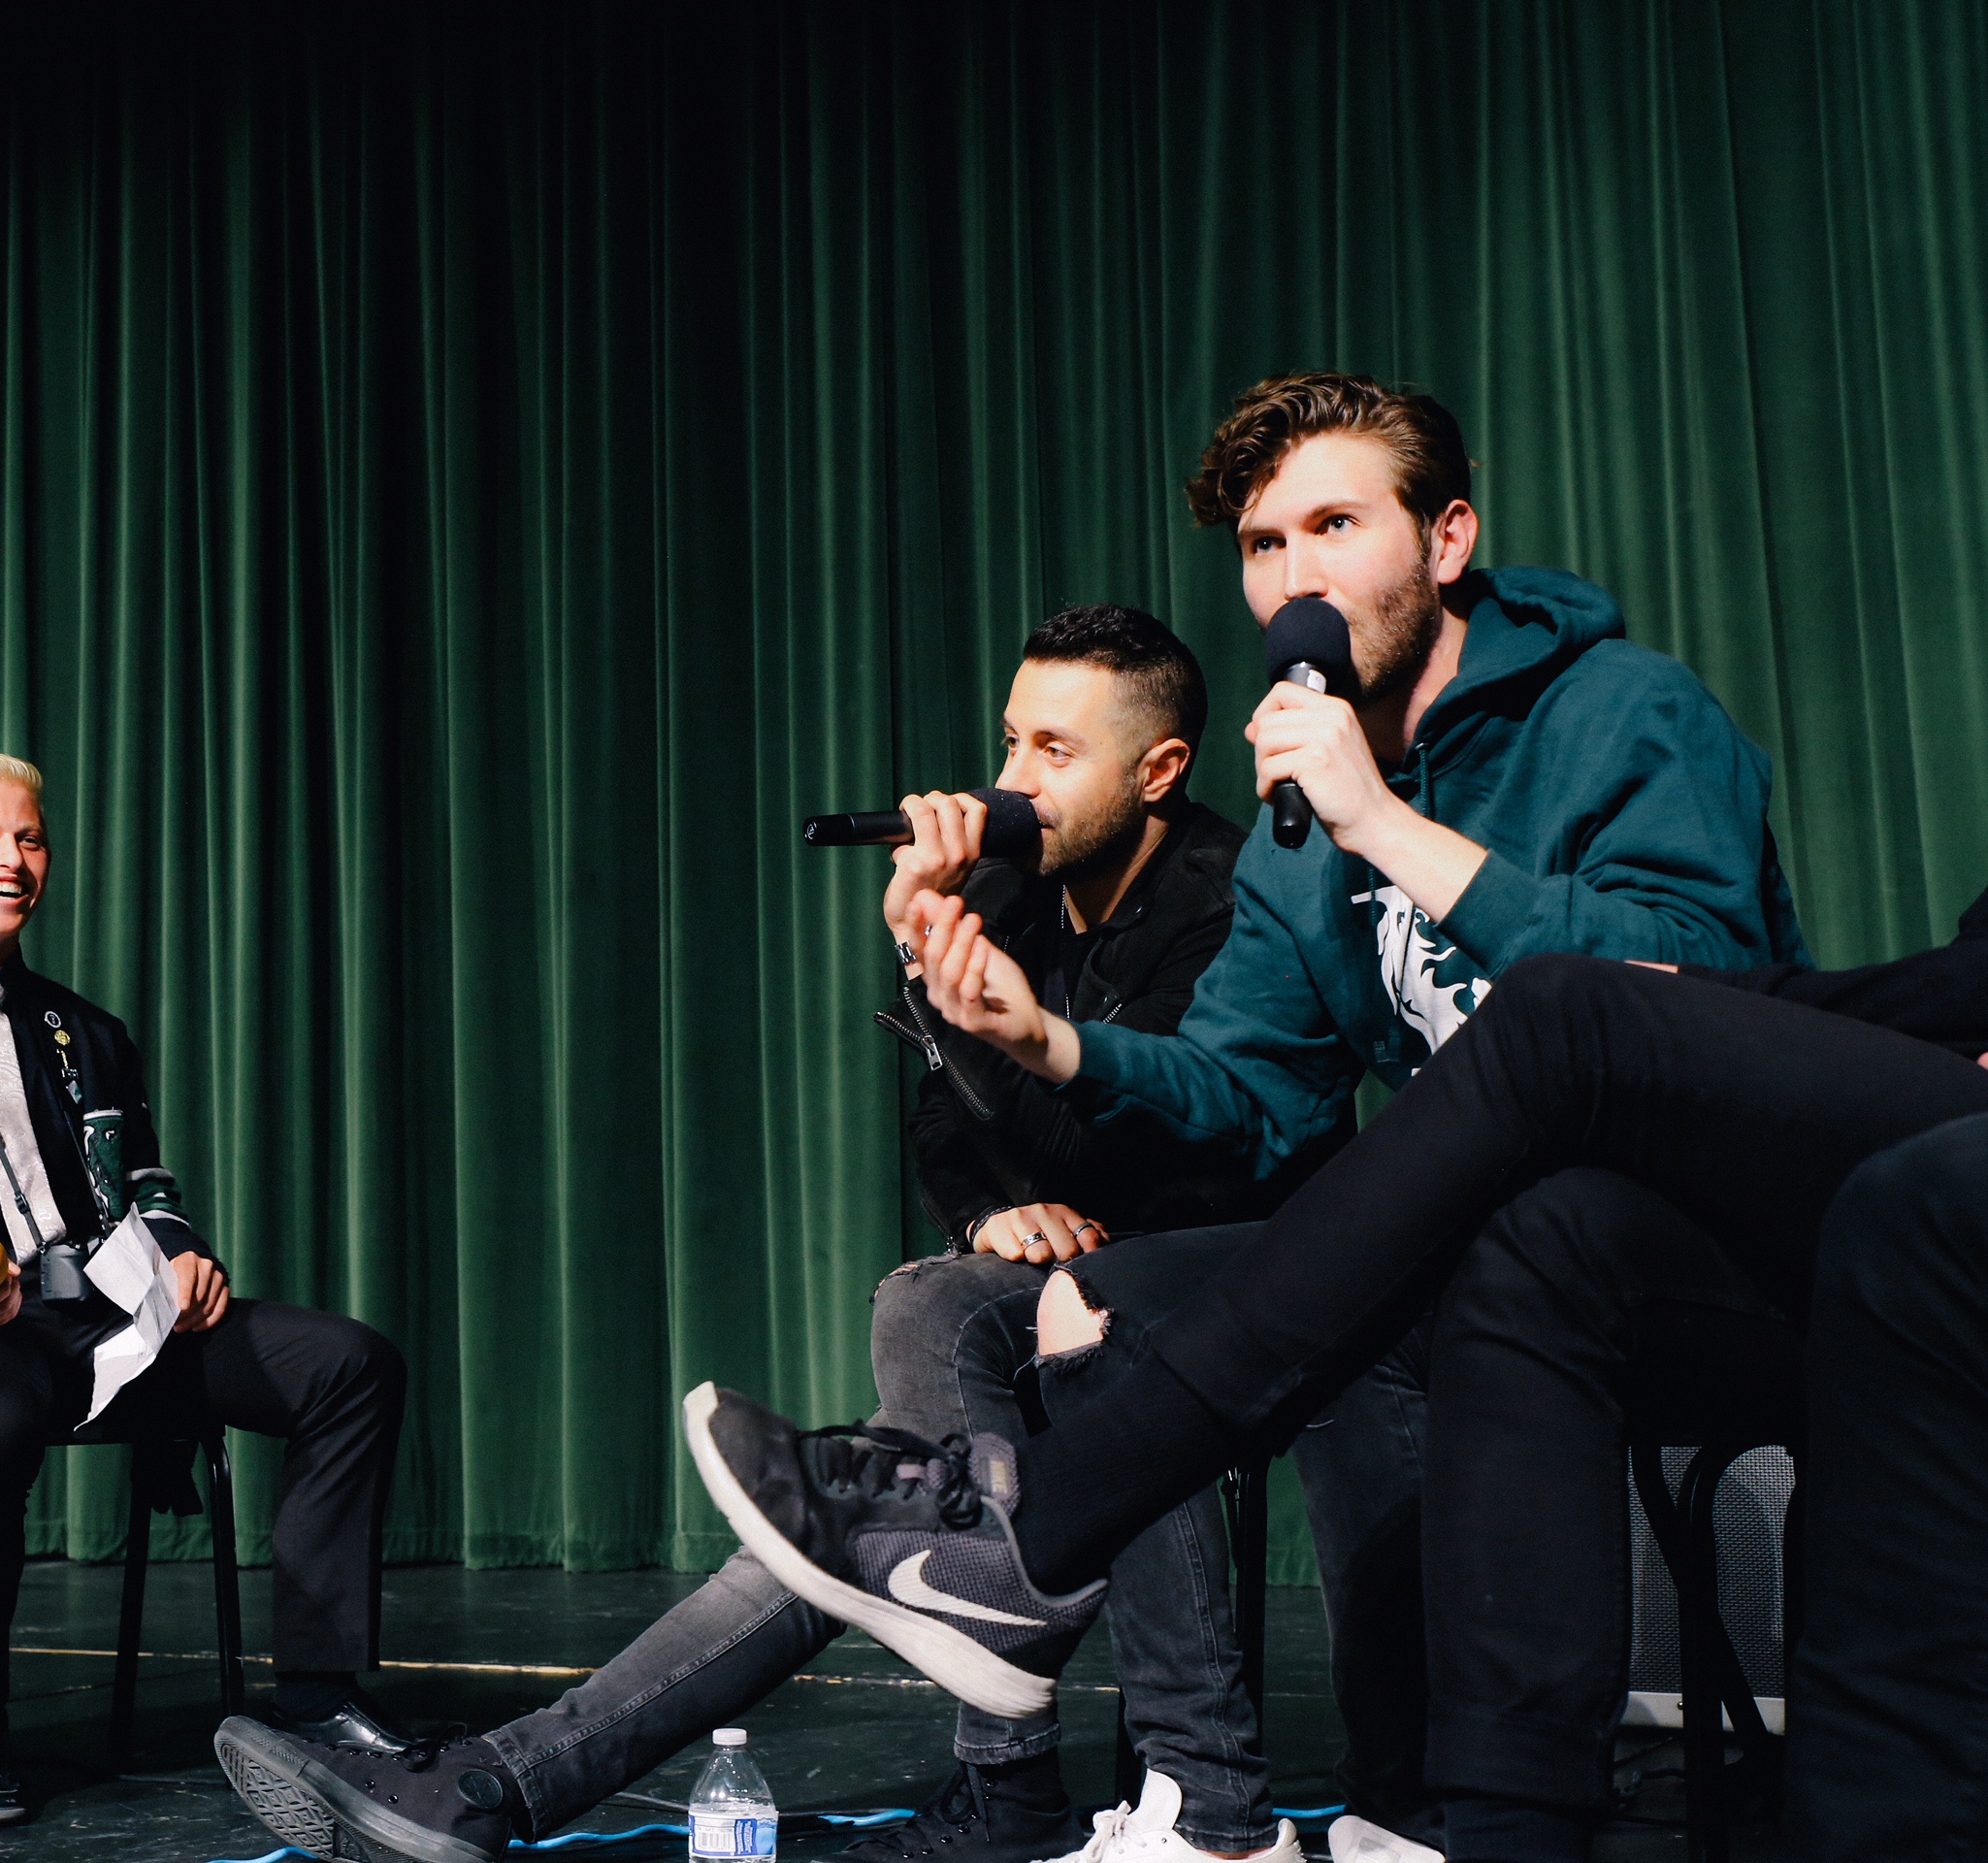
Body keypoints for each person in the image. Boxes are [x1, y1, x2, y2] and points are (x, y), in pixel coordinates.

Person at [215, 605, 1307, 1863]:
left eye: (1054, 752)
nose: (1011, 783)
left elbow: (1135, 1151)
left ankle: (513, 1786)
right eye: (1010, 741)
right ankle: (508, 1785)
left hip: (1204, 1276)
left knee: (896, 1432)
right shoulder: (1007, 892)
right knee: (902, 1415)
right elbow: (949, 1132)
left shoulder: (1222, 901)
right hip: (1053, 1268)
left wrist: (953, 1005)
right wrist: (985, 1205)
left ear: (1160, 771)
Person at [685, 870, 1988, 1862]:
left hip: (1866, 1145)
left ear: (1444, 539)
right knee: (1539, 1237)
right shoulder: (1296, 850)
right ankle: (1496, 1831)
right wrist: (1040, 1044)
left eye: (1326, 532)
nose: (1287, 589)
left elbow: (1727, 949)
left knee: (1562, 1012)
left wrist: (1721, 1000)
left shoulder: (1623, 713)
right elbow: (1244, 1098)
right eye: (1263, 547)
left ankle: (1047, 1528)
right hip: (1866, 1126)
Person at [0, 752, 411, 1828]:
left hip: (114, 1322)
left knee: (350, 1363)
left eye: (28, 839)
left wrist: (177, 1246)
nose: (11, 859)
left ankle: (317, 1693)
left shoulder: (86, 1031)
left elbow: (147, 1182)